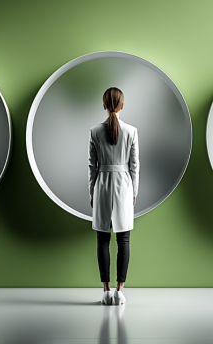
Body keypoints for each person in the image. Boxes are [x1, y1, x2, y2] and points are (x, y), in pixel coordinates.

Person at [89, 87, 139, 306]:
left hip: (102, 184)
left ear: (103, 105)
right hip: (124, 187)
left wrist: (92, 190)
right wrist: (134, 191)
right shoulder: (132, 131)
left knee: (102, 239)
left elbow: (92, 165)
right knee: (123, 239)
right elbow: (134, 166)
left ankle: (106, 290)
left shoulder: (94, 131)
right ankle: (120, 290)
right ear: (122, 105)